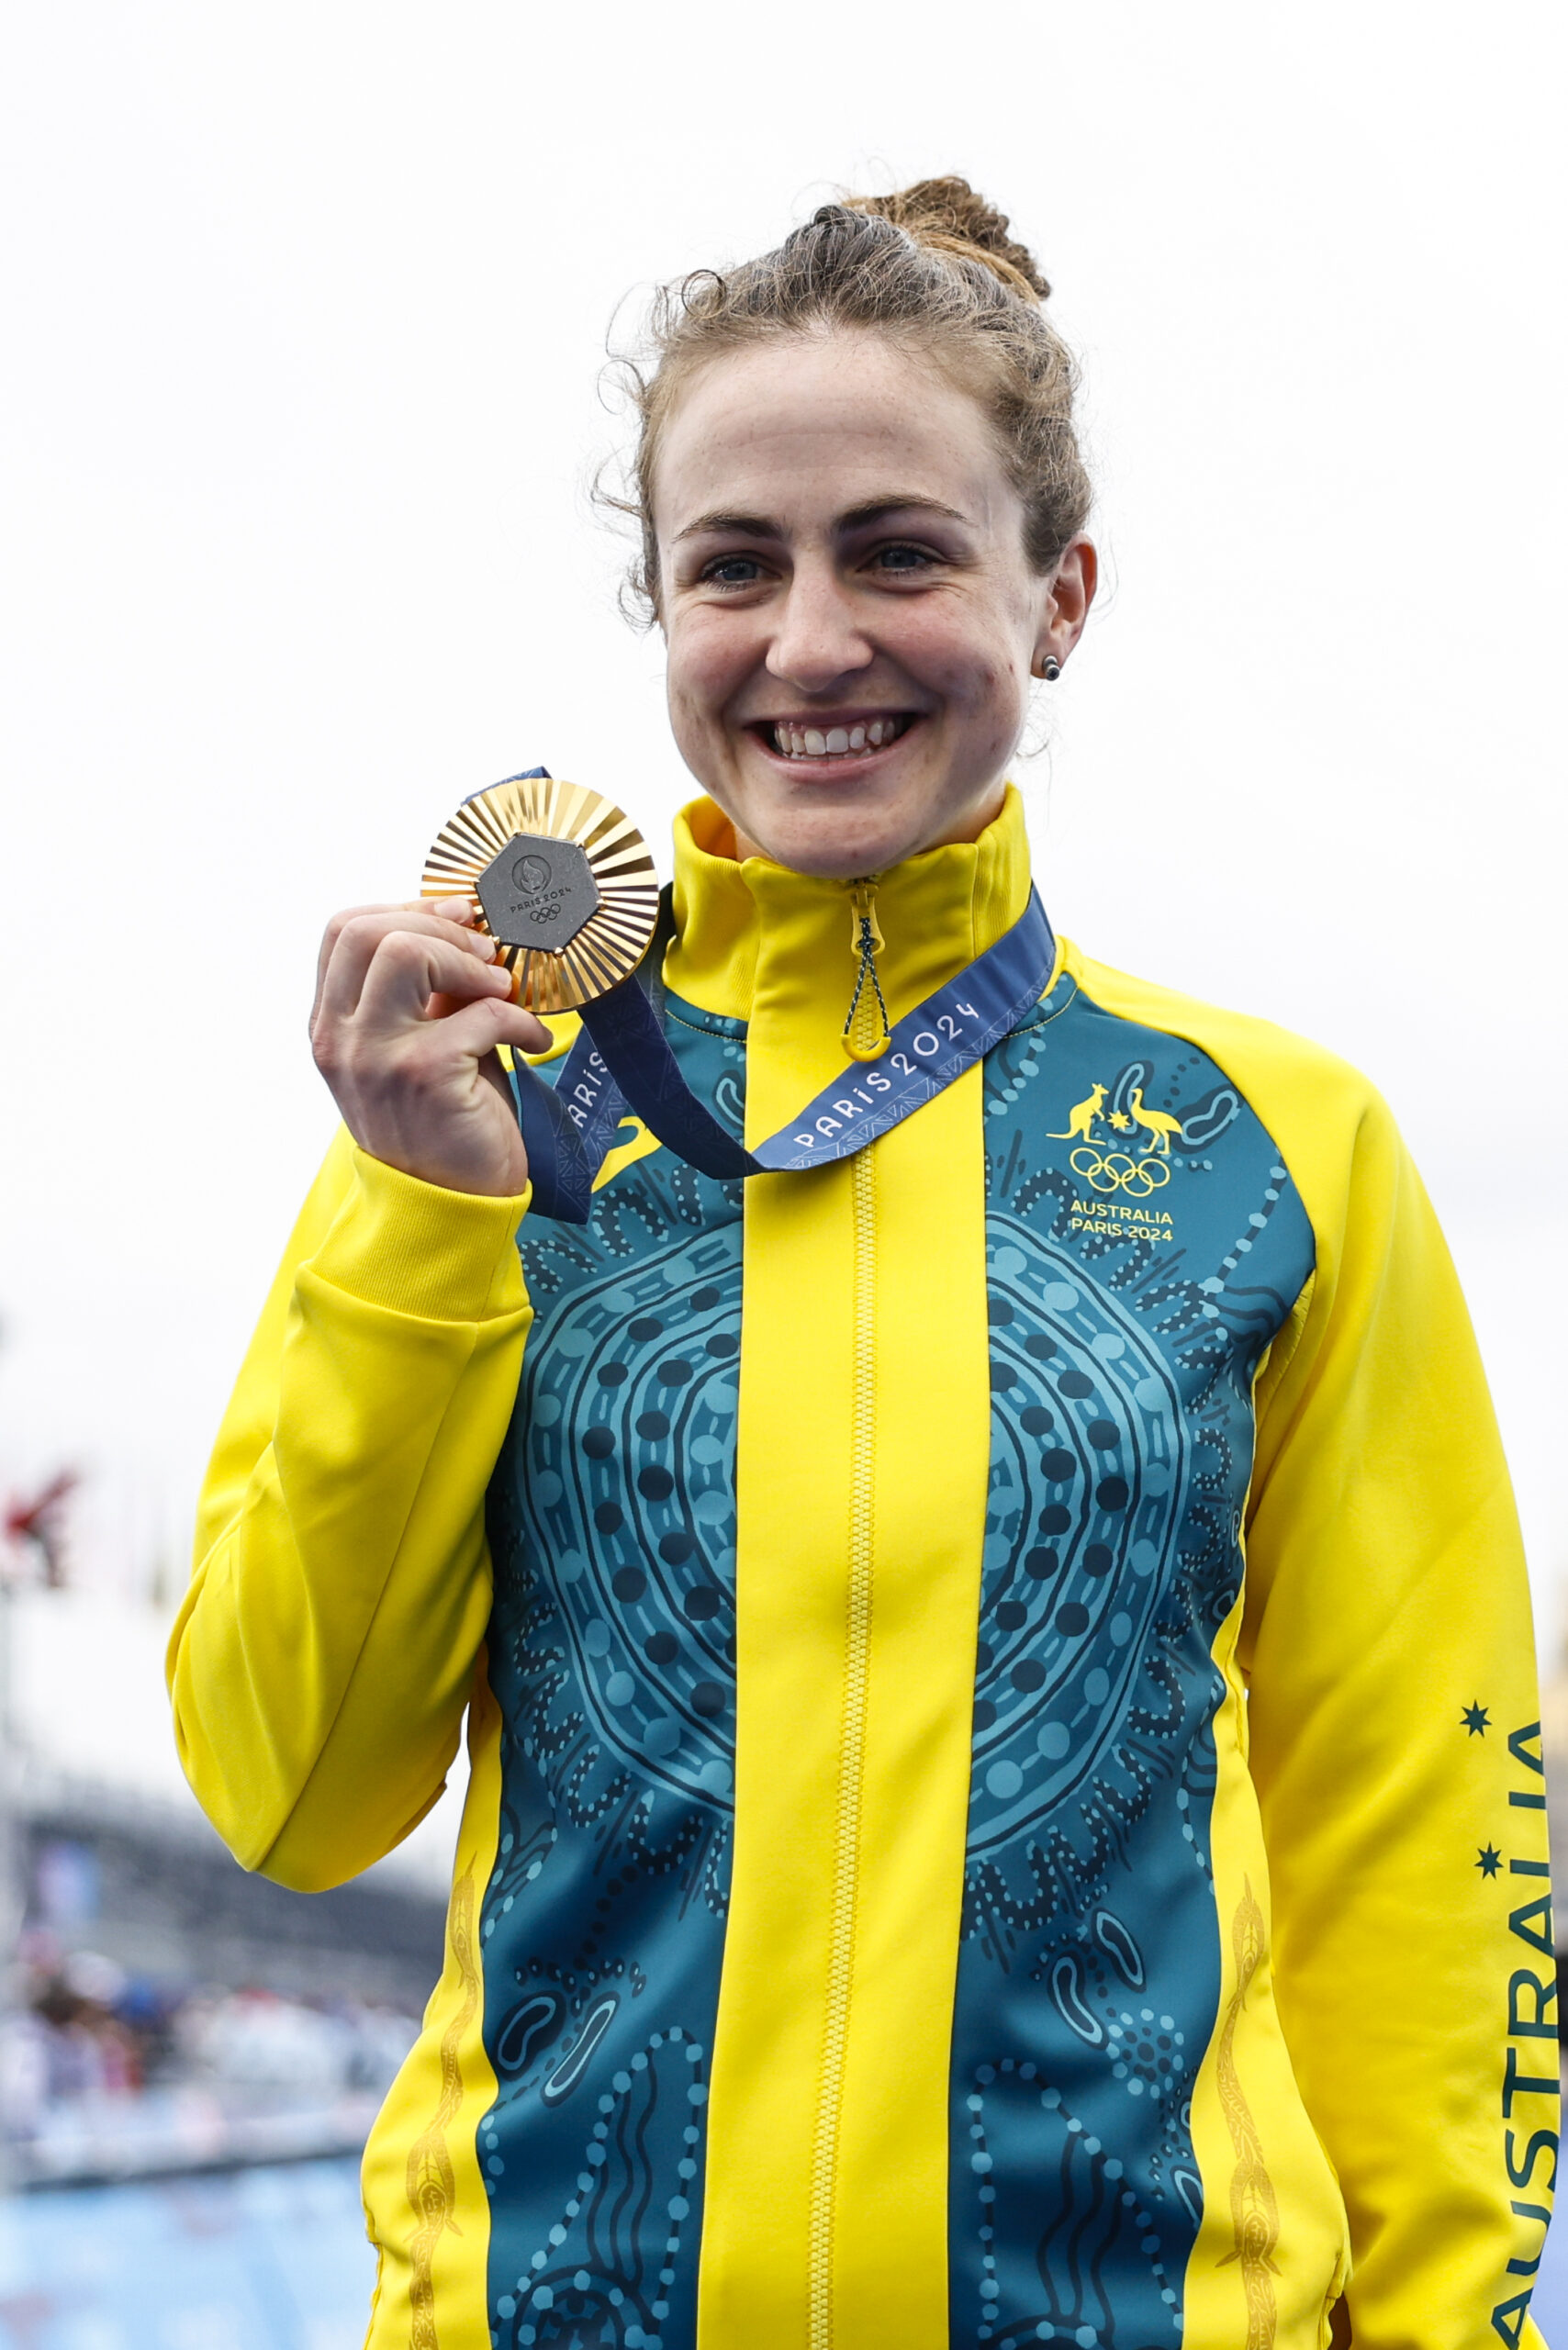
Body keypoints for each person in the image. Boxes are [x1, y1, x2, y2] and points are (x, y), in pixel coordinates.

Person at [169, 180, 1554, 2350]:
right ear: (664, 612)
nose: (810, 639)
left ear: (1056, 594)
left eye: (897, 549)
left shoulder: (1277, 1142)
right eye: (736, 565)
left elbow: (1422, 1821)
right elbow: (289, 1784)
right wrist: (421, 1214)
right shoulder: (477, 1103)